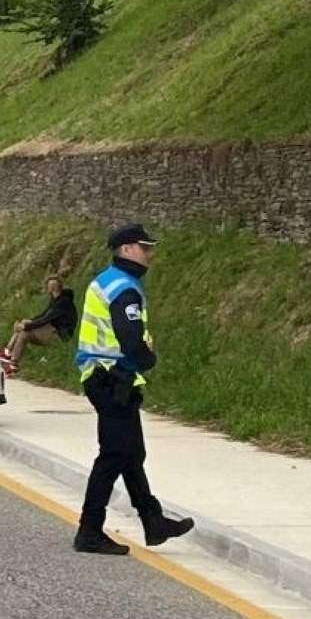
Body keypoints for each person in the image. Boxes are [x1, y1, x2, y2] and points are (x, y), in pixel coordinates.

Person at [72, 223, 195, 555]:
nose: (150, 254)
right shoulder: (124, 288)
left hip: (106, 378)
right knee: (113, 456)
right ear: (126, 249)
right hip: (113, 379)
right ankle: (89, 531)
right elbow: (129, 340)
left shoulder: (106, 280)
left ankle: (153, 521)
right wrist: (147, 359)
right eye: (145, 247)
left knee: (130, 454)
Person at [2, 275, 77, 373]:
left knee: (25, 332)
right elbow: (42, 315)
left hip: (59, 336)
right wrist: (27, 322)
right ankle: (9, 354)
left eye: (48, 285)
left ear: (53, 287)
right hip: (52, 331)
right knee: (25, 323)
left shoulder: (63, 302)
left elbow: (45, 320)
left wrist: (25, 326)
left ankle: (12, 359)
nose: (47, 287)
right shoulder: (55, 300)